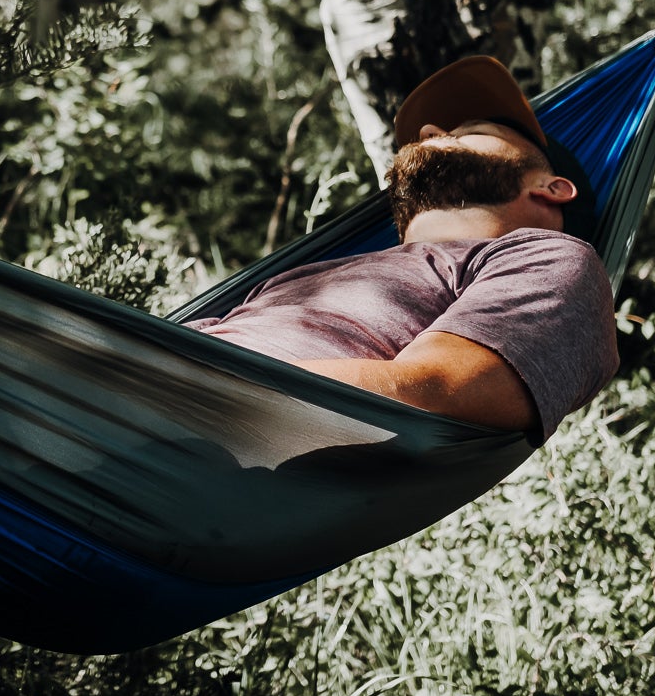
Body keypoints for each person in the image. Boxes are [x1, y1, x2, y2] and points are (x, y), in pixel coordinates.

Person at [188, 56, 618, 440]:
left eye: (472, 132)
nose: (429, 132)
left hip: (189, 406)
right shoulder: (316, 275)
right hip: (157, 379)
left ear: (552, 188)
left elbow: (426, 392)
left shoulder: (550, 261)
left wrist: (199, 381)